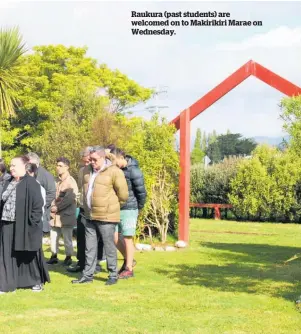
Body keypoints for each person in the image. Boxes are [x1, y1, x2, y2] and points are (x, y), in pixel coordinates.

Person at [72, 146, 128, 286]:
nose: (91, 162)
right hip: (89, 215)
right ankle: (87, 275)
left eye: (94, 159)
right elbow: (84, 190)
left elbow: (123, 195)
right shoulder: (85, 171)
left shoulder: (115, 172)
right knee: (89, 247)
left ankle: (113, 275)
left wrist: (111, 207)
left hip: (107, 216)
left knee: (109, 246)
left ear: (103, 157)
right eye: (90, 159)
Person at [0, 156, 50, 294]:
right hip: (7, 224)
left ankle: (35, 281)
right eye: (10, 166)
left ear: (24, 166)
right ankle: (6, 284)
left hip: (25, 226)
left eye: (14, 166)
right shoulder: (8, 181)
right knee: (6, 255)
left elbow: (37, 205)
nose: (11, 168)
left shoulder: (31, 183)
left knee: (29, 254)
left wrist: (33, 224)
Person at [109, 147, 147, 278]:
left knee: (127, 238)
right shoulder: (115, 170)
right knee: (114, 237)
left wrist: (137, 208)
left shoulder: (134, 171)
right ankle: (129, 260)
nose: (112, 163)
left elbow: (141, 192)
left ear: (121, 157)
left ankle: (129, 268)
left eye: (113, 160)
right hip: (117, 208)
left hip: (130, 208)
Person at [67, 147, 105, 274]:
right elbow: (81, 189)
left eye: (89, 161)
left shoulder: (102, 170)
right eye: (84, 162)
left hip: (98, 209)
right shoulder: (82, 171)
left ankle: (96, 264)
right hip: (84, 208)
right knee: (81, 237)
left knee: (97, 238)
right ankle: (81, 262)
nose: (87, 164)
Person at [47, 157, 78, 266]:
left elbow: (70, 198)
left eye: (60, 166)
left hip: (66, 215)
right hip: (55, 215)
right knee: (53, 236)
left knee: (67, 239)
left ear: (67, 167)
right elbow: (51, 194)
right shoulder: (55, 180)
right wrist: (51, 206)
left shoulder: (71, 181)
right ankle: (54, 256)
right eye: (57, 165)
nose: (58, 168)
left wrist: (57, 207)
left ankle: (68, 257)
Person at [26, 152, 56, 235]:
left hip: (40, 212)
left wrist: (39, 204)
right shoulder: (26, 174)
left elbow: (51, 193)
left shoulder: (46, 175)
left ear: (37, 163)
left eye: (30, 164)